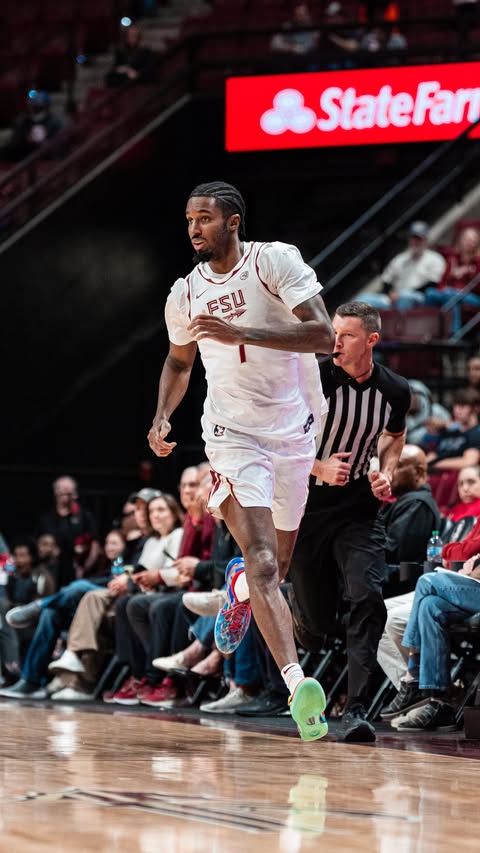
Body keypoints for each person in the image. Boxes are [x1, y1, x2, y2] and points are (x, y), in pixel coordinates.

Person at [147, 180, 334, 742]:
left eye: (204, 218)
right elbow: (180, 364)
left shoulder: (274, 262)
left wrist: (239, 332)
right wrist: (161, 417)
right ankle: (298, 683)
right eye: (187, 220)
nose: (193, 229)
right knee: (263, 560)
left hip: (295, 429)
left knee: (277, 560)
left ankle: (240, 592)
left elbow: (323, 335)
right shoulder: (184, 294)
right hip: (231, 434)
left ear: (232, 221)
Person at [288, 301, 410, 743]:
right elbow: (281, 438)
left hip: (358, 509)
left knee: (367, 597)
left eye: (347, 336)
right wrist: (319, 467)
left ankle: (356, 708)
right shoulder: (313, 380)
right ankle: (301, 616)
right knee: (319, 627)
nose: (335, 342)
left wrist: (387, 471)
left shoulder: (395, 390)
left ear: (371, 341)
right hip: (305, 506)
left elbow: (395, 436)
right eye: (333, 333)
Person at [361, 222, 446, 310]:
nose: (415, 241)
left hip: (420, 299)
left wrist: (404, 294)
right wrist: (390, 293)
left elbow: (432, 285)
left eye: (418, 238)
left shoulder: (435, 259)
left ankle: (398, 323)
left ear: (425, 240)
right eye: (412, 238)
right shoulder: (400, 259)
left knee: (405, 296)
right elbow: (386, 280)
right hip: (396, 297)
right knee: (363, 299)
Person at [35, 475, 100, 587]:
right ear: (56, 492)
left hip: (77, 569)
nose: (65, 494)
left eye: (69, 491)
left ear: (75, 494)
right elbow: (38, 544)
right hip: (51, 570)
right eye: (61, 490)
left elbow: (95, 544)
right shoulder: (47, 517)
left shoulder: (84, 516)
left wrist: (86, 568)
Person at [425, 225, 480, 333]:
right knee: (430, 293)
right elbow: (442, 283)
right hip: (450, 293)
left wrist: (468, 273)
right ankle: (429, 329)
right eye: (466, 239)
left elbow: (478, 287)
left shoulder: (478, 262)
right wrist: (443, 289)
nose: (469, 242)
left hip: (474, 297)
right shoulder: (452, 259)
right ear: (461, 241)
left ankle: (454, 332)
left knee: (451, 295)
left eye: (472, 240)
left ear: (477, 243)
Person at [1, 90, 64, 162]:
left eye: (38, 108)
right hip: (22, 155)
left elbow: (56, 146)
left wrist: (40, 143)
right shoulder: (23, 121)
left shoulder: (54, 123)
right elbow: (15, 141)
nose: (35, 111)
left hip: (42, 157)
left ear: (47, 108)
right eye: (33, 108)